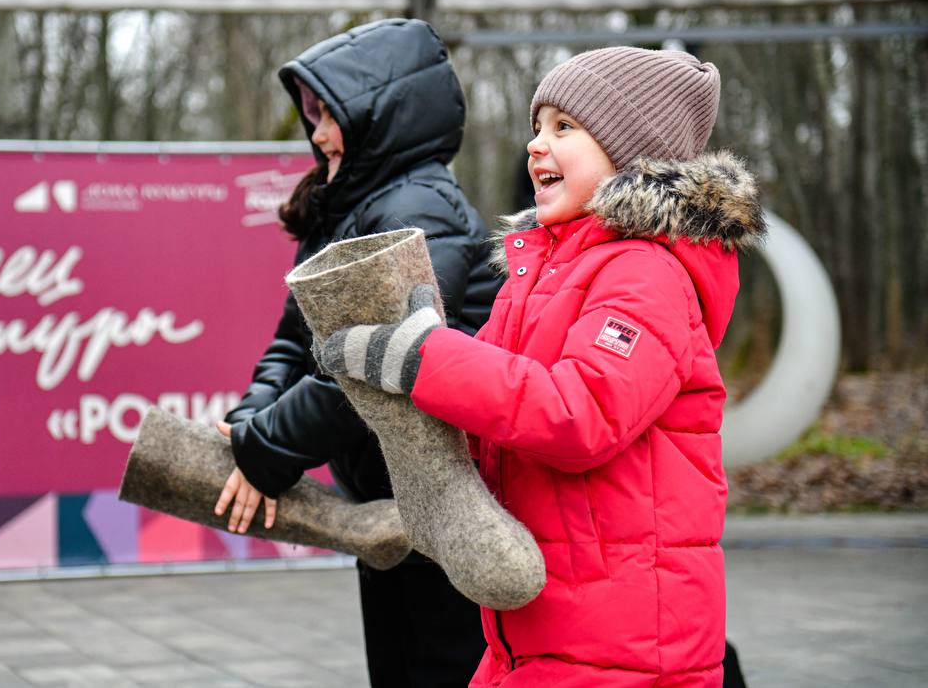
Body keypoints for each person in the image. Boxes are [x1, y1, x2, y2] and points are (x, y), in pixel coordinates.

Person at [320, 46, 766, 686]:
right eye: (536, 127)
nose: (535, 145)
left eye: (564, 127)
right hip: (536, 628)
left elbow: (576, 414)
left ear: (632, 154)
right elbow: (486, 413)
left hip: (626, 645)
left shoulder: (646, 274)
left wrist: (424, 356)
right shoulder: (536, 276)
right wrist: (403, 363)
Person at [215, 18, 499, 687]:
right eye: (310, 112)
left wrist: (263, 452)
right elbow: (294, 340)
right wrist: (251, 414)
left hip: (453, 514)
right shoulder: (347, 208)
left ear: (381, 113)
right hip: (393, 517)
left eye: (327, 112)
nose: (315, 133)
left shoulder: (422, 209)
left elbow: (371, 372)